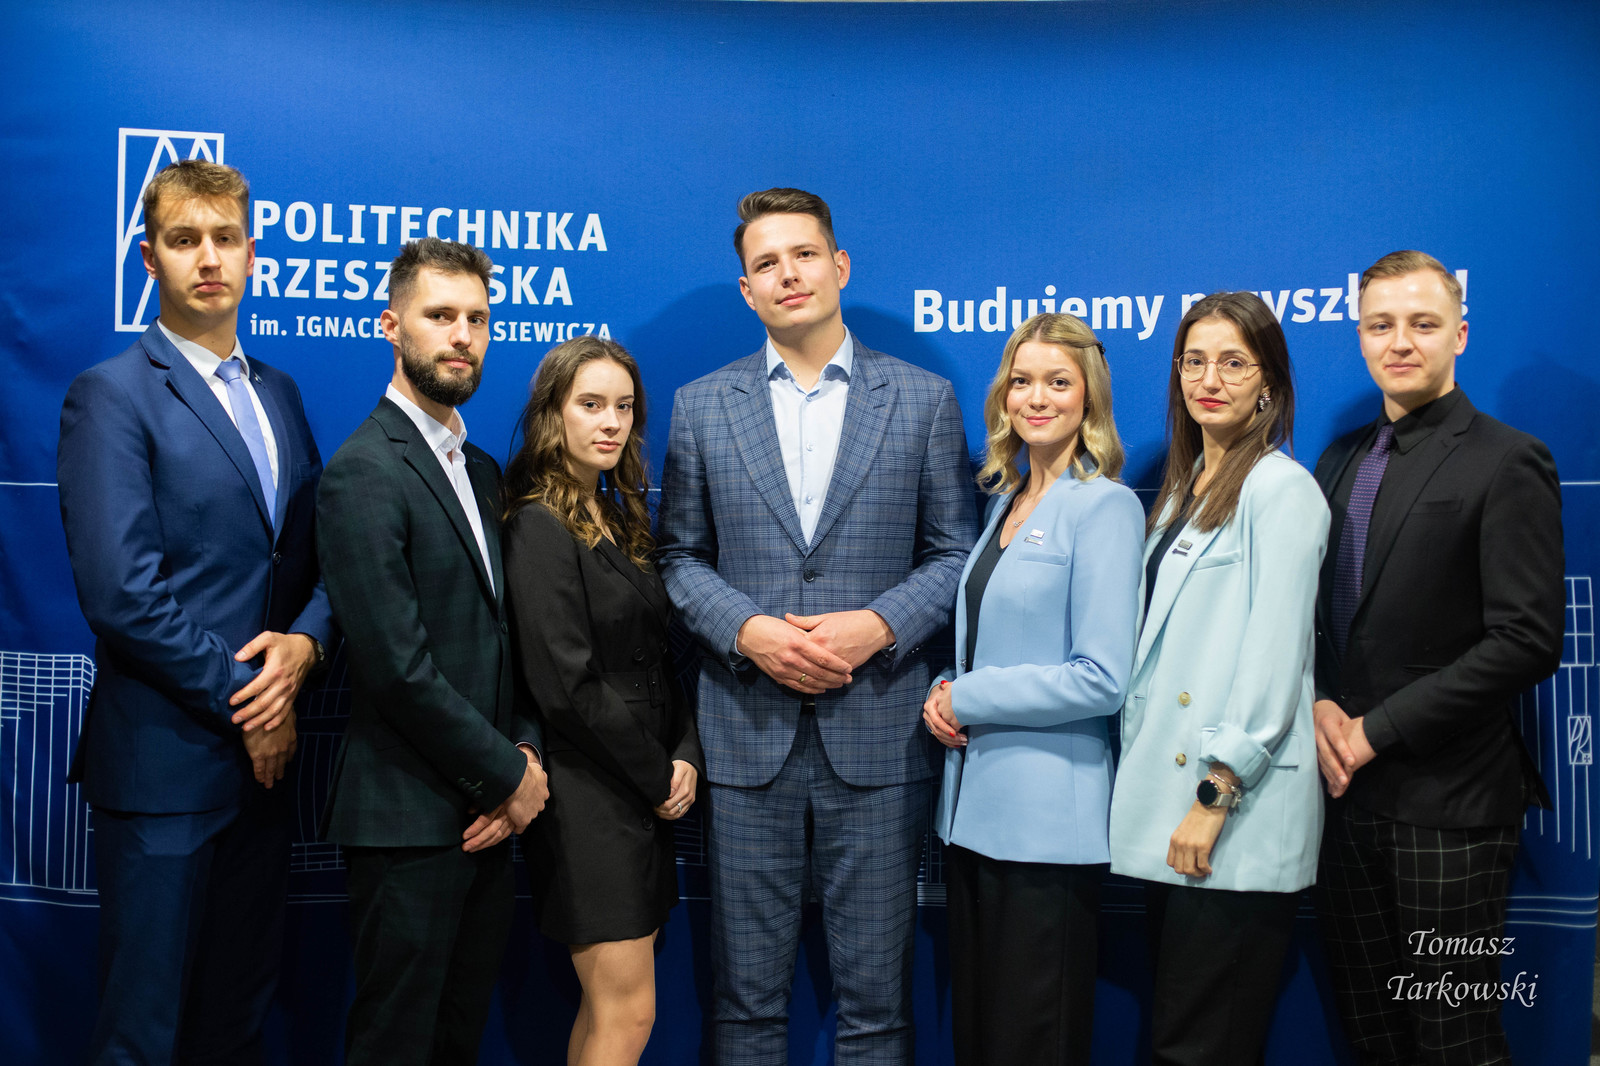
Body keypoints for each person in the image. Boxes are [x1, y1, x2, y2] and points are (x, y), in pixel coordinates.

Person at [656, 187, 978, 1063]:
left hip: (878, 735)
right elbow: (678, 555)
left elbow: (955, 551)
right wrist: (748, 631)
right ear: (747, 289)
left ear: (839, 266)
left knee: (877, 1008)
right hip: (744, 737)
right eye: (766, 263)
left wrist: (878, 624)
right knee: (744, 1006)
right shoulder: (701, 405)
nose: (787, 274)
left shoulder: (922, 399)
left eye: (803, 255)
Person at [56, 159, 332, 1065]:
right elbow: (122, 595)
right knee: (143, 1036)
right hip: (165, 772)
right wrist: (254, 705)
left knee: (234, 1026)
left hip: (266, 780)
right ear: (150, 258)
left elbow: (317, 559)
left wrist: (306, 643)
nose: (208, 259)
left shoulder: (281, 393)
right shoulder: (112, 393)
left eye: (224, 239)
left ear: (253, 254)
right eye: (184, 240)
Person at [1312, 251, 1564, 1065]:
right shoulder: (1338, 461)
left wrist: (1375, 731)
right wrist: (1321, 705)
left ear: (1459, 333)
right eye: (1380, 324)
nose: (1400, 342)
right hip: (1341, 803)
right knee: (1373, 1036)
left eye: (1422, 323)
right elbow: (1315, 619)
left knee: (1456, 1040)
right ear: (1360, 337)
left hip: (1451, 804)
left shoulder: (1507, 458)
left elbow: (1526, 640)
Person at [316, 237, 549, 1066]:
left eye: (477, 319)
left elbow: (507, 639)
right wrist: (509, 776)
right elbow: (397, 668)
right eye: (440, 315)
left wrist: (524, 752)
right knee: (396, 1043)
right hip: (408, 820)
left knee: (457, 1040)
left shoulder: (481, 469)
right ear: (391, 326)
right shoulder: (362, 472)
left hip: (489, 815)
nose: (462, 336)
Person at [1107, 291, 1329, 1066]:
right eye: (1194, 361)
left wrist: (1216, 794)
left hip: (1230, 811)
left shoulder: (1281, 488)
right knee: (1182, 1037)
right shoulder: (1184, 487)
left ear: (1269, 382)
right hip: (1172, 806)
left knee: (1201, 1046)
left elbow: (1275, 655)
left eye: (1235, 363)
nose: (1210, 379)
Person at [921, 313, 1142, 1065]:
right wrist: (946, 686)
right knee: (981, 1041)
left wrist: (970, 698)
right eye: (1022, 381)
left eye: (1058, 381)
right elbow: (991, 640)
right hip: (971, 819)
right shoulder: (1004, 502)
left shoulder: (1106, 506)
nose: (1036, 398)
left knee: (1032, 1043)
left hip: (1048, 831)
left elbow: (1102, 678)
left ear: (1090, 396)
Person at [501, 336, 705, 1065]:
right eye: (590, 404)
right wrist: (656, 776)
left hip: (640, 789)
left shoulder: (617, 514)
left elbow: (657, 659)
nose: (611, 422)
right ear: (553, 414)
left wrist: (685, 754)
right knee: (627, 1014)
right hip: (588, 797)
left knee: (610, 1014)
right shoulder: (537, 523)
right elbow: (565, 685)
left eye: (623, 407)